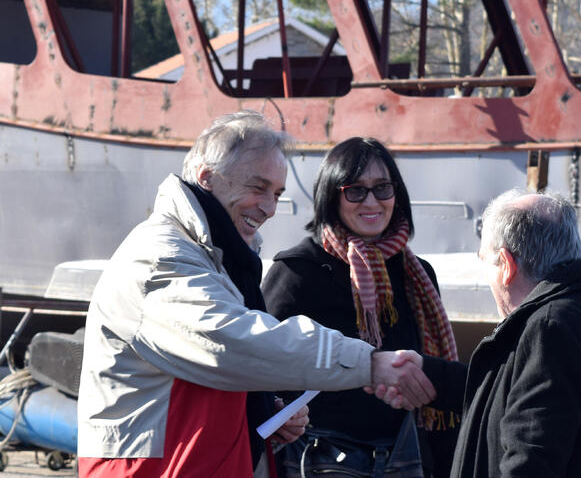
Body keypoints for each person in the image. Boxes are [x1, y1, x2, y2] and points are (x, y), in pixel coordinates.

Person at [77, 112, 436, 478]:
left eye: (277, 193)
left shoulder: (213, 256)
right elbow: (228, 343)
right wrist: (370, 363)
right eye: (257, 187)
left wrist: (264, 414)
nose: (269, 208)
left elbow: (215, 370)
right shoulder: (161, 258)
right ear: (206, 177)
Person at [262, 137, 465, 477]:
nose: (371, 201)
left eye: (382, 188)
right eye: (355, 190)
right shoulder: (299, 270)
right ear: (332, 196)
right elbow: (264, 366)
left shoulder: (418, 275)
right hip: (319, 459)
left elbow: (435, 375)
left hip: (404, 458)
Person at [450, 189, 581, 478]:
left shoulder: (550, 327)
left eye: (485, 260)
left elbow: (530, 457)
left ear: (506, 265)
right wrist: (433, 376)